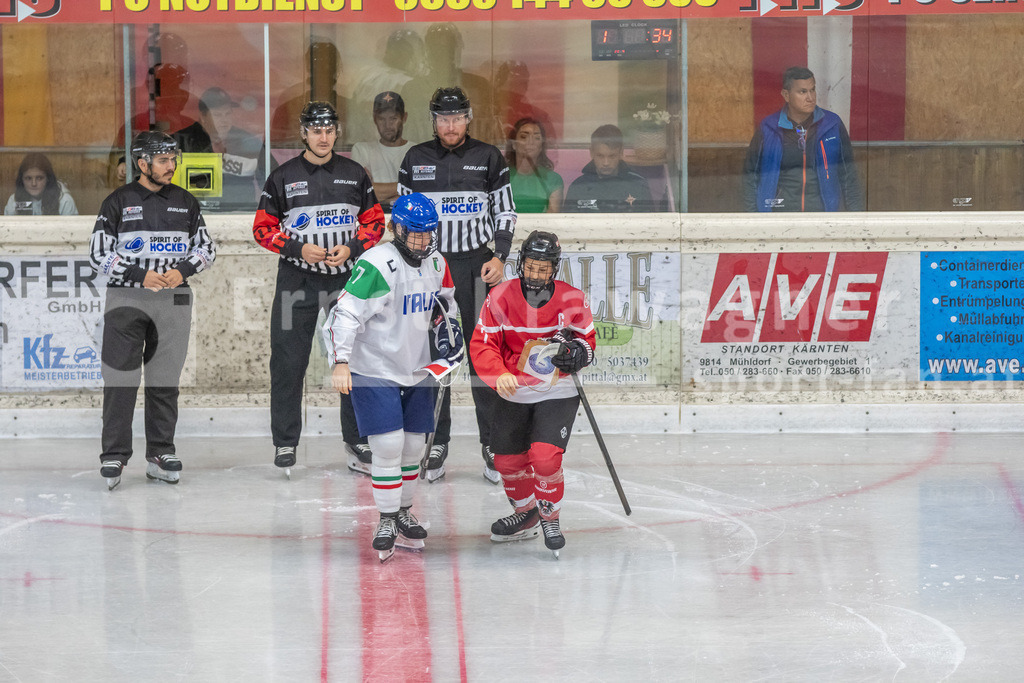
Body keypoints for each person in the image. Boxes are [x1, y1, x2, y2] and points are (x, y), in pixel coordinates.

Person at [323, 193, 463, 561]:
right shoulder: (377, 264)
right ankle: (386, 518)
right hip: (374, 367)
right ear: (396, 229)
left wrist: (450, 333)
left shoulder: (436, 262)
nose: (422, 241)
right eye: (415, 233)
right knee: (387, 445)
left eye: (428, 234)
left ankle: (402, 511)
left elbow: (444, 304)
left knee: (415, 447)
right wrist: (341, 362)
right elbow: (346, 313)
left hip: (417, 366)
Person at [253, 101, 385, 476]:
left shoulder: (354, 173)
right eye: (316, 130)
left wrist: (354, 246)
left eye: (329, 130)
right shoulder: (282, 177)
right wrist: (297, 248)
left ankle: (356, 439)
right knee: (287, 361)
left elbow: (375, 222)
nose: (323, 137)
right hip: (297, 279)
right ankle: (285, 442)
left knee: (354, 360)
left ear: (336, 132)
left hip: (346, 279)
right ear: (304, 133)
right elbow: (262, 228)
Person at [398, 86, 517, 484]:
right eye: (443, 119)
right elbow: (401, 221)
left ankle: (493, 442)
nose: (450, 126)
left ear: (469, 118)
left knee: (484, 356)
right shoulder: (415, 159)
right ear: (433, 121)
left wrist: (499, 255)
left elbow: (506, 210)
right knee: (435, 356)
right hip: (431, 268)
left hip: (477, 267)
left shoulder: (489, 157)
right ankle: (436, 440)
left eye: (457, 118)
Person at [89, 131, 217, 490]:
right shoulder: (118, 201)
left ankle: (161, 451)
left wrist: (183, 270)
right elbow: (99, 254)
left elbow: (207, 248)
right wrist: (139, 275)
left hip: (173, 302)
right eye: (163, 161)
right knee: (120, 379)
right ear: (142, 163)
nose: (171, 167)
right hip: (126, 301)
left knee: (164, 381)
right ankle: (114, 453)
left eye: (173, 160)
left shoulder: (186, 202)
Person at [469, 230, 596, 555]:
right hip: (515, 388)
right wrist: (497, 375)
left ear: (553, 269)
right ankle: (526, 513)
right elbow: (483, 343)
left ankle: (549, 516)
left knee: (544, 457)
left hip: (557, 389)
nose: (536, 274)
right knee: (507, 462)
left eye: (543, 269)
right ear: (521, 263)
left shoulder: (572, 298)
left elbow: (587, 340)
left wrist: (578, 353)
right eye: (531, 267)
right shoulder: (499, 297)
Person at [743, 66, 864, 212]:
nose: (810, 98)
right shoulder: (769, 127)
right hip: (779, 217)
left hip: (822, 217)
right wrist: (753, 218)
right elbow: (750, 177)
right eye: (803, 92)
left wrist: (857, 218)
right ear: (786, 95)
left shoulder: (832, 124)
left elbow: (849, 176)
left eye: (812, 90)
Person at [197, 87, 271, 211]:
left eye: (227, 113)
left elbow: (270, 181)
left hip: (243, 212)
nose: (224, 119)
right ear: (203, 117)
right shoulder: (187, 140)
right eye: (217, 114)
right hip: (201, 213)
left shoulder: (250, 142)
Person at [563, 125, 653, 213]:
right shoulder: (578, 187)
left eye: (612, 156)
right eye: (600, 156)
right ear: (591, 153)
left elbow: (651, 224)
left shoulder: (638, 184)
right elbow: (568, 224)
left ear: (621, 153)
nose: (606, 163)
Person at [351, 91, 415, 212]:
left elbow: (422, 195)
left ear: (404, 118)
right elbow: (362, 194)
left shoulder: (416, 152)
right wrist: (408, 185)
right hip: (376, 221)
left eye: (393, 118)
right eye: (381, 119)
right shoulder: (361, 150)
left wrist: (379, 192)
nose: (387, 125)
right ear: (375, 119)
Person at [505, 117, 563, 213]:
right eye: (524, 137)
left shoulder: (553, 179)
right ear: (513, 144)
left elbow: (552, 218)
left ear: (541, 146)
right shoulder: (501, 177)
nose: (530, 142)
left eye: (537, 138)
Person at [5, 153, 78, 215]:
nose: (34, 184)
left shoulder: (64, 201)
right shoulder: (14, 200)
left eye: (39, 178)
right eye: (28, 178)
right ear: (22, 180)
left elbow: (72, 231)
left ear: (48, 179)